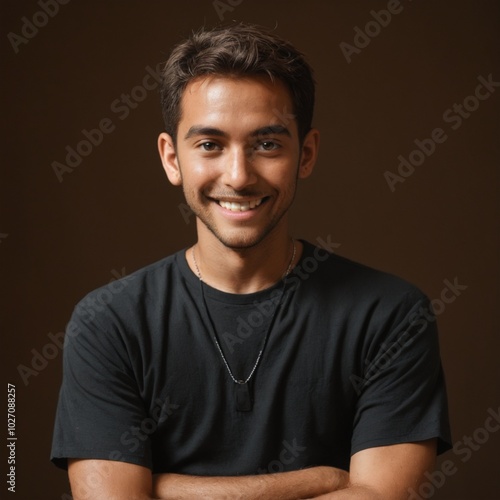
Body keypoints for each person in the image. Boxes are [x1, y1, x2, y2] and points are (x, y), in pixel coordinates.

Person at [51, 23, 451, 499]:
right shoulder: (108, 322)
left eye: (266, 144)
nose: (238, 177)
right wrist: (320, 480)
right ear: (171, 158)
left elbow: (380, 498)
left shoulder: (390, 314)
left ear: (305, 154)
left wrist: (163, 489)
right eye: (209, 145)